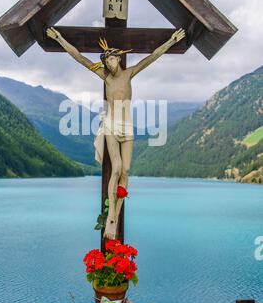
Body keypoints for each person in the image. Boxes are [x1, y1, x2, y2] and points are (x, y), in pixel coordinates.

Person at [46, 27, 185, 239]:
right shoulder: (105, 77)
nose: (108, 65)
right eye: (106, 62)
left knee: (126, 170)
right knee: (117, 167)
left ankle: (117, 211)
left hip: (127, 125)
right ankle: (111, 215)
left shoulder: (129, 73)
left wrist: (172, 41)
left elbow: (152, 58)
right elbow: (80, 58)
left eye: (110, 60)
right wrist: (59, 39)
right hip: (111, 123)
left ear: (118, 59)